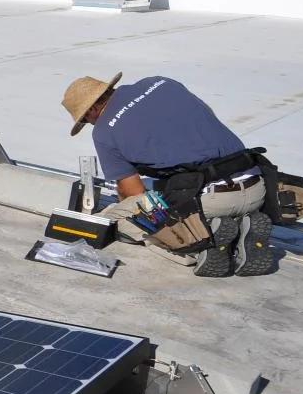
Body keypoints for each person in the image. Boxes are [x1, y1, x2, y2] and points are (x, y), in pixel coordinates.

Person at [62, 73, 273, 277]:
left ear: (90, 111)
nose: (90, 123)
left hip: (213, 201)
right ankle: (241, 230)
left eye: (85, 120)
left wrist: (124, 205)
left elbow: (133, 193)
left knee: (122, 220)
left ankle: (202, 249)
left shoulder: (104, 133)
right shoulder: (161, 83)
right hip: (256, 187)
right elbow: (206, 117)